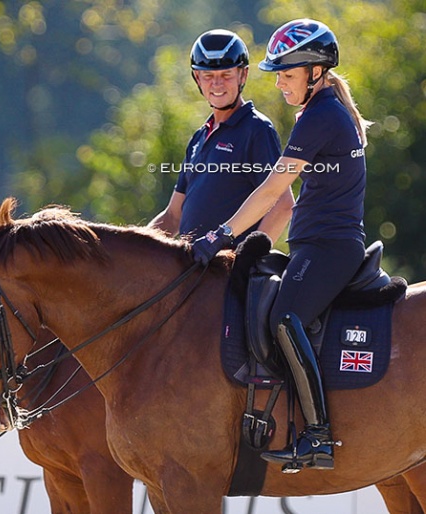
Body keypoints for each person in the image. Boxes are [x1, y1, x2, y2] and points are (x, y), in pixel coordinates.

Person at [192, 19, 372, 472]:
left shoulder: (320, 117)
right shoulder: (322, 112)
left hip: (328, 247)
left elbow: (273, 190)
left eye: (287, 75)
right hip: (318, 245)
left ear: (315, 72)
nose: (280, 83)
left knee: (285, 318)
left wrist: (222, 234)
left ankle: (317, 436)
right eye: (277, 74)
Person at [149, 29, 293, 244]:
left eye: (226, 75)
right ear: (197, 78)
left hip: (229, 271)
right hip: (193, 271)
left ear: (242, 75)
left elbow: (283, 205)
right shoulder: (199, 137)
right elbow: (172, 217)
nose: (217, 84)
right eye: (208, 76)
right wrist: (131, 248)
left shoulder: (256, 129)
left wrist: (247, 260)